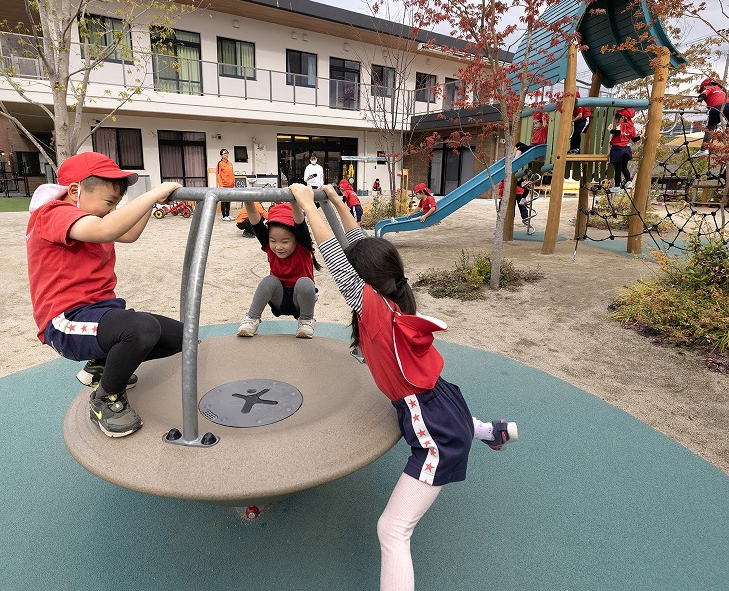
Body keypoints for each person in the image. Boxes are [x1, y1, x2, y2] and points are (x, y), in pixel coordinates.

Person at [288, 182, 518, 591]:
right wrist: (339, 202)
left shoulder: (374, 311)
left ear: (363, 286)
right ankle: (492, 431)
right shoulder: (391, 295)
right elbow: (358, 250)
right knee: (455, 417)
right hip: (443, 399)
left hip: (434, 430)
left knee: (392, 531)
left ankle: (481, 433)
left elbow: (338, 260)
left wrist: (307, 204)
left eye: (352, 281)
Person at [26, 152, 183, 438]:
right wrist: (151, 195)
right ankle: (105, 398)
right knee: (142, 329)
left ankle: (102, 363)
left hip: (98, 316)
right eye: (108, 202)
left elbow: (128, 233)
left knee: (181, 336)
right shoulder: (52, 214)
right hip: (65, 321)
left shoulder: (91, 216)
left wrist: (152, 201)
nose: (112, 210)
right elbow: (105, 229)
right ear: (75, 191)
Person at [236, 201, 321, 339]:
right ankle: (252, 318)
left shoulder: (302, 247)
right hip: (279, 298)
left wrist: (294, 201)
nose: (278, 247)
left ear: (296, 239)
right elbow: (255, 219)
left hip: (299, 300)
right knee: (269, 281)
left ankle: (306, 320)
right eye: (273, 241)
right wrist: (248, 200)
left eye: (285, 241)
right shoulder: (269, 246)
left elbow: (300, 223)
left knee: (305, 283)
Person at [695, 78, 729, 157]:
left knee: (710, 129)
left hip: (716, 108)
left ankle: (703, 149)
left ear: (705, 87)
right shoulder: (722, 90)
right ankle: (727, 134)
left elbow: (702, 95)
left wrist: (697, 105)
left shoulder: (709, 89)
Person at [607, 108, 643, 192]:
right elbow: (634, 139)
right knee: (624, 167)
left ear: (623, 117)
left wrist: (610, 130)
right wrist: (642, 134)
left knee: (618, 169)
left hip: (617, 149)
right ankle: (629, 182)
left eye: (617, 118)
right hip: (626, 149)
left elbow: (618, 133)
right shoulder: (631, 127)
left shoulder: (620, 124)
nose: (616, 120)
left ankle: (616, 187)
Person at [216, 148, 235, 220]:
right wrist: (221, 186)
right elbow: (218, 175)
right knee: (223, 201)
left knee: (228, 200)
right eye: (224, 153)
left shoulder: (230, 164)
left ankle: (228, 214)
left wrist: (234, 184)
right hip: (224, 185)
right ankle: (224, 216)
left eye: (227, 153)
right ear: (221, 155)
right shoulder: (220, 164)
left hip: (230, 185)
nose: (226, 154)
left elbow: (232, 174)